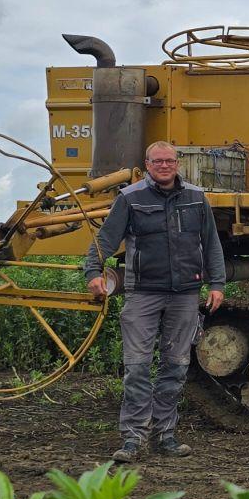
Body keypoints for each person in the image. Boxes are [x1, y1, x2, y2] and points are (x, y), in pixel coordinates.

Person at [82, 141, 226, 462]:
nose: (164, 165)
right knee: (137, 367)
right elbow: (105, 240)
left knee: (175, 366)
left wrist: (217, 283)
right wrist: (93, 270)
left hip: (185, 294)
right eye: (157, 161)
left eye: (169, 160)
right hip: (143, 293)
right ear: (147, 164)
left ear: (178, 164)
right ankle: (133, 438)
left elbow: (211, 244)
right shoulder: (130, 199)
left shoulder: (196, 198)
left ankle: (166, 435)